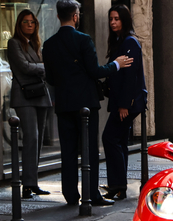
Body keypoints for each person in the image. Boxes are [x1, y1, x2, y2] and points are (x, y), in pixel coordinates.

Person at [42, 0, 132, 206]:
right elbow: (95, 71)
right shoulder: (83, 40)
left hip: (64, 104)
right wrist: (116, 65)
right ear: (75, 16)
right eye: (79, 14)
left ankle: (70, 195)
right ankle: (91, 194)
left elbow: (52, 79)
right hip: (85, 104)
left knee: (68, 150)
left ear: (58, 16)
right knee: (89, 150)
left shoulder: (49, 44)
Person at [101, 4, 147, 201]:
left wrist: (124, 105)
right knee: (118, 141)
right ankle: (118, 186)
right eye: (111, 19)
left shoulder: (130, 42)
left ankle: (118, 185)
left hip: (128, 103)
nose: (113, 22)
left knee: (109, 138)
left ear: (125, 20)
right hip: (125, 101)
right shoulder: (122, 41)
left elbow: (130, 77)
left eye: (117, 19)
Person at [7, 10, 52, 199]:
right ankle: (26, 184)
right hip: (24, 95)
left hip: (40, 94)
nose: (30, 25)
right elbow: (24, 67)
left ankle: (32, 182)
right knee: (31, 138)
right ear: (20, 24)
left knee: (38, 139)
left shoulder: (35, 44)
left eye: (33, 22)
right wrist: (45, 67)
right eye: (26, 22)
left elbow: (33, 66)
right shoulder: (14, 42)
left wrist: (40, 68)